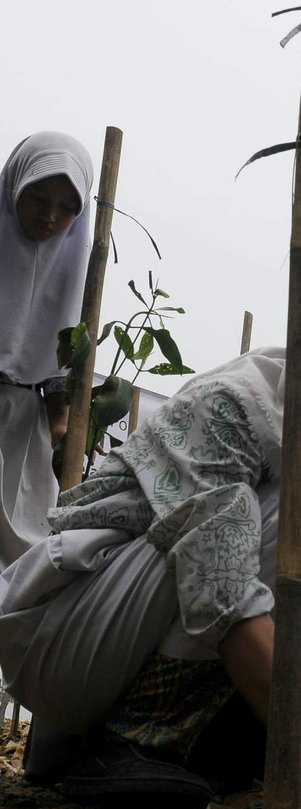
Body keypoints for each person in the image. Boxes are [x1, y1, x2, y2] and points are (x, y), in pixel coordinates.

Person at [0, 274, 301, 809]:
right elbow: (223, 588)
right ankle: (130, 742)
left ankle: (184, 746)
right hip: (63, 635)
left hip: (120, 639)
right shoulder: (238, 406)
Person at [0, 130, 93, 570]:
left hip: (23, 426)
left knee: (21, 559)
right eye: (38, 199)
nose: (50, 217)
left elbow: (58, 367)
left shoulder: (72, 265)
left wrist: (62, 426)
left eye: (67, 208)